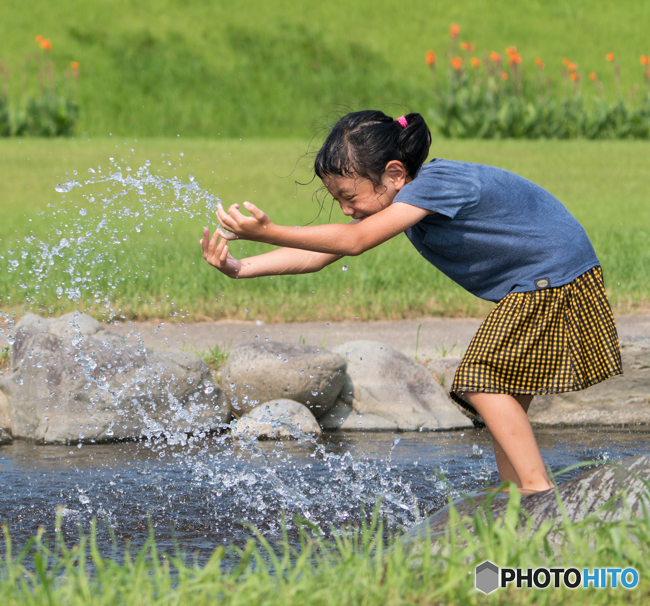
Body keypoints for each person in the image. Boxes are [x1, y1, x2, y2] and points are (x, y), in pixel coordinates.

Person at [199, 110, 621, 494]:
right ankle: (517, 497)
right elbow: (320, 254)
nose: (347, 210)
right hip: (547, 280)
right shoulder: (407, 197)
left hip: (553, 279)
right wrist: (240, 267)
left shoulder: (438, 184)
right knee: (502, 403)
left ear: (395, 173)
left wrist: (269, 230)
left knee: (481, 380)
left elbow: (354, 242)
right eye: (339, 201)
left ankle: (537, 492)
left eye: (350, 196)